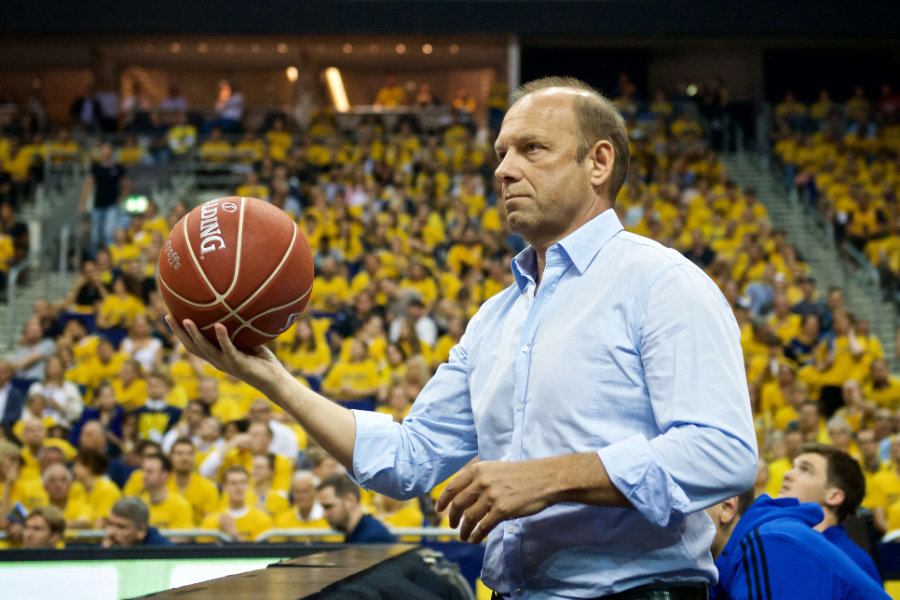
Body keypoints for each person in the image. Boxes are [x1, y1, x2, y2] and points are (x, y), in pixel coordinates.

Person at [168, 76, 757, 598]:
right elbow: (407, 460)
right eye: (501, 153)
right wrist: (271, 378)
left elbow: (723, 455)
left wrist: (547, 478)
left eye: (532, 149)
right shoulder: (496, 319)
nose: (503, 169)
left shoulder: (662, 282)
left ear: (598, 163)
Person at [707, 490, 888, 599]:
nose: (678, 516)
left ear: (726, 507)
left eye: (688, 504)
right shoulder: (730, 563)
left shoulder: (771, 543)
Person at [778, 443, 880, 582]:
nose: (787, 474)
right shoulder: (779, 547)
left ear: (833, 496)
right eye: (793, 467)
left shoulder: (853, 563)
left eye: (806, 470)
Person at [79, 142, 130, 258]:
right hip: (97, 205)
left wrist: (123, 197)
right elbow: (88, 184)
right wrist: (83, 201)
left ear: (112, 152)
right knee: (95, 237)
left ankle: (111, 258)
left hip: (111, 205)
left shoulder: (118, 168)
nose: (106, 152)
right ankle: (95, 259)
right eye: (104, 149)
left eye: (108, 149)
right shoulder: (96, 167)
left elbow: (126, 183)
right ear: (101, 151)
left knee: (108, 233)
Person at [316, 473, 396, 543]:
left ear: (351, 500)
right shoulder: (358, 534)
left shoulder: (372, 539)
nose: (324, 514)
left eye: (328, 507)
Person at [102, 496, 173, 547]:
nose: (111, 533)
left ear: (142, 531)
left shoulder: (168, 556)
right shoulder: (105, 549)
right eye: (110, 524)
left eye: (121, 527)